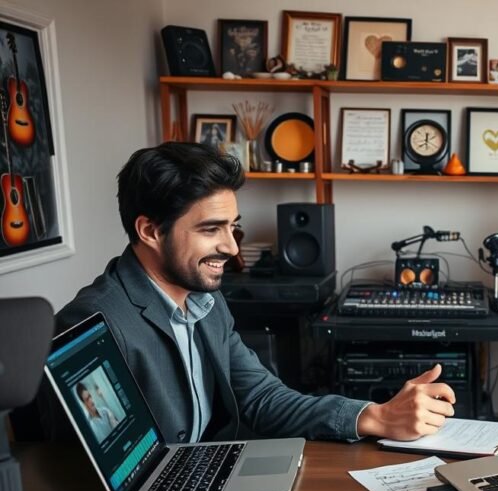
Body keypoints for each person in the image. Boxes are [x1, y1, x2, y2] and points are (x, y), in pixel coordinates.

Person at [44, 142, 455, 444]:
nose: (232, 248)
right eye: (211, 229)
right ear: (150, 231)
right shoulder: (92, 323)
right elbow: (104, 467)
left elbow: (262, 397)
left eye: (232, 227)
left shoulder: (206, 302)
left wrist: (374, 416)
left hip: (204, 474)